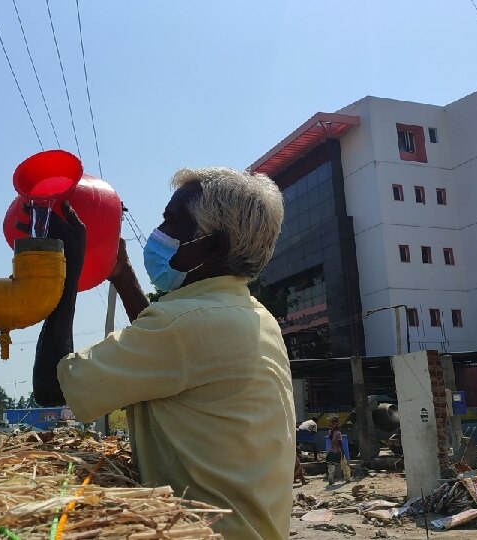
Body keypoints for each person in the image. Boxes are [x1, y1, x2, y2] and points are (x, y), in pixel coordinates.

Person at [32, 167, 296, 540]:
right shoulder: (250, 315)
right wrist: (123, 277)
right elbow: (170, 359)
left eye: (173, 224)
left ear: (213, 247)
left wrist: (66, 274)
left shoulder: (184, 326)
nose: (159, 234)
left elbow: (51, 386)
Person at [326, 416, 344, 485]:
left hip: (331, 450)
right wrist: (343, 452)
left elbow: (331, 439)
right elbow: (340, 443)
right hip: (337, 451)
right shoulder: (338, 433)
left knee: (331, 464)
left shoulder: (330, 432)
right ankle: (346, 477)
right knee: (341, 464)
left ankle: (331, 477)